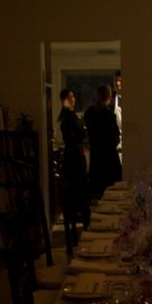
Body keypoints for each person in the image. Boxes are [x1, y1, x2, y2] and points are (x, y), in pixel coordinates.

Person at [58, 88, 90, 230]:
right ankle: (82, 216)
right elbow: (80, 134)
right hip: (74, 156)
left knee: (80, 186)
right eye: (69, 97)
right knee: (80, 186)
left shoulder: (70, 116)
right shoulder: (68, 117)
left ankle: (80, 214)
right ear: (63, 100)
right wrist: (81, 133)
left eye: (73, 96)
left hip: (75, 154)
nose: (72, 99)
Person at [83, 83, 122, 199]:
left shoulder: (89, 113)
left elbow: (87, 134)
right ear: (109, 97)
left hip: (96, 157)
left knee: (98, 190)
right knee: (114, 190)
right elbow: (116, 138)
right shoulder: (109, 115)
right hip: (109, 158)